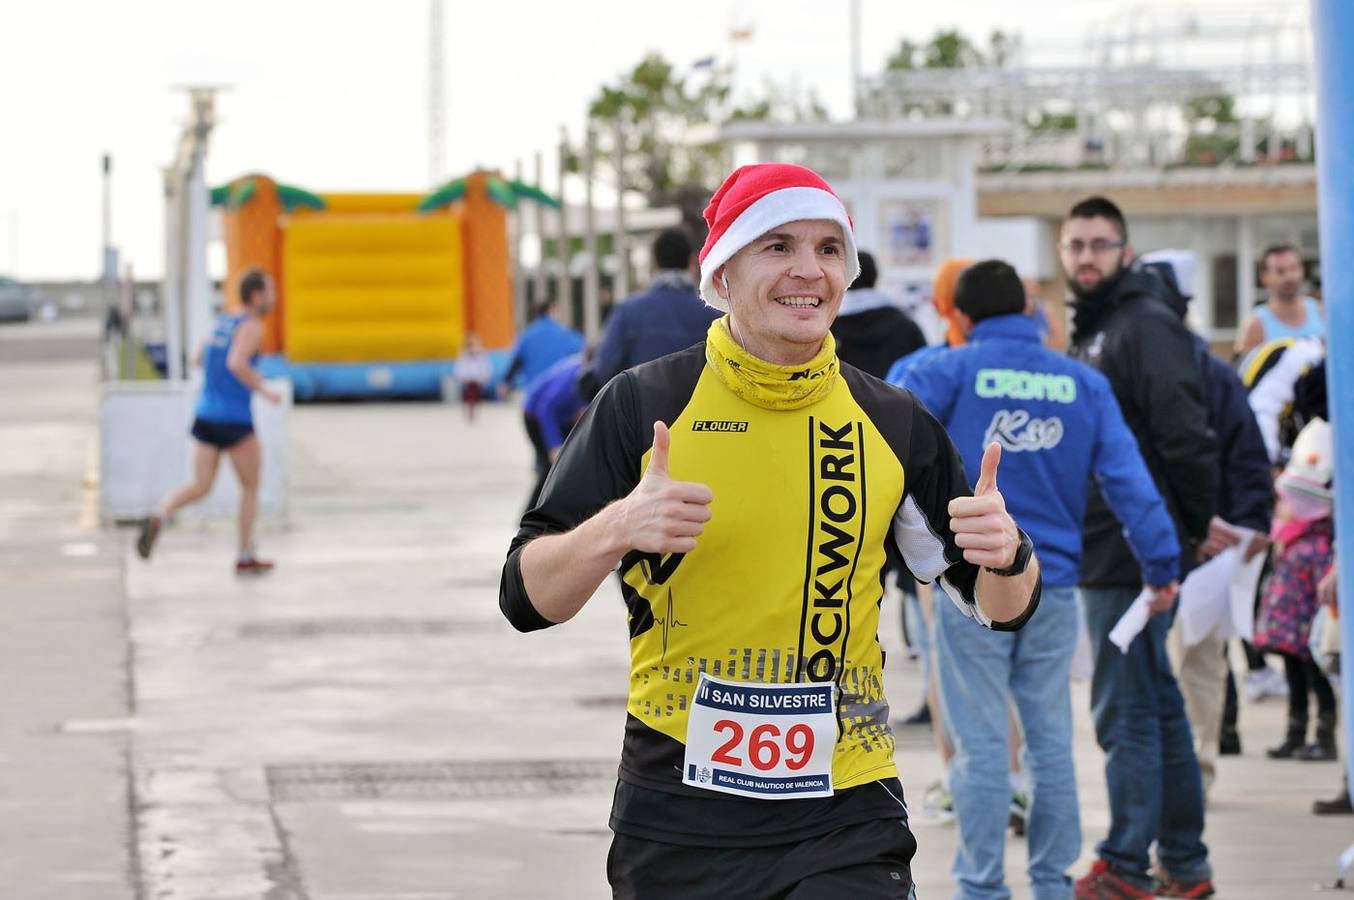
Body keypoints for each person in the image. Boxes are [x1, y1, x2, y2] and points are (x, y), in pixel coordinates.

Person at [498, 163, 1042, 899]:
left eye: (828, 249)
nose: (807, 272)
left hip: (847, 810)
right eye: (778, 246)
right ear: (721, 275)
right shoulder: (644, 403)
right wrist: (619, 525)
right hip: (679, 816)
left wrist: (1009, 555)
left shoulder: (891, 420)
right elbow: (527, 599)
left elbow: (1002, 607)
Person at [901, 259, 1180, 900]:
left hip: (971, 584)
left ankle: (981, 887)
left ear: (961, 318)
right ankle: (1052, 884)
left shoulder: (946, 368)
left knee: (978, 743)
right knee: (1050, 739)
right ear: (1030, 310)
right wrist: (1162, 567)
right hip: (1054, 584)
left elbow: (875, 415)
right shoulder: (1082, 382)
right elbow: (1132, 487)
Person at [1061, 197, 1218, 899]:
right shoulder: (1103, 327)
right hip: (1115, 543)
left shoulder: (1141, 325)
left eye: (1100, 244)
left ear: (1126, 252)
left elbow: (1186, 434)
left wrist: (1182, 534)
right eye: (1076, 245)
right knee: (1155, 702)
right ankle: (1183, 864)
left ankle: (1126, 865)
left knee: (1126, 709)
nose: (1087, 257)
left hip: (1130, 547)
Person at [1140, 249, 1273, 781]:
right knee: (1193, 657)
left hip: (1200, 542)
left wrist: (1248, 523)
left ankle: (1196, 763)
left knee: (1197, 655)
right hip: (1182, 538)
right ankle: (1193, 762)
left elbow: (1244, 452)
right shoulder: (1180, 364)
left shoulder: (1207, 372)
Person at [136, 268, 282, 574]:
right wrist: (264, 389)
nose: (274, 298)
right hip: (235, 419)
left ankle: (161, 514)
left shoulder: (223, 322)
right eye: (270, 291)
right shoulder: (251, 326)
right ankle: (244, 555)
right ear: (256, 295)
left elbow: (197, 358)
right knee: (250, 487)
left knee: (201, 485)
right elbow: (236, 363)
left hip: (205, 414)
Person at [1255, 418, 1338, 762]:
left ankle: (1324, 734)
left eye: (1285, 501)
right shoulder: (1287, 539)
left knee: (1317, 681)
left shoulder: (1317, 543)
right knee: (1296, 682)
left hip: (1306, 631)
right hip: (1288, 632)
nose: (1280, 508)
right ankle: (1295, 730)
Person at [584, 227, 720, 395]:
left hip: (641, 415)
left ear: (653, 265)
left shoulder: (628, 312)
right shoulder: (715, 315)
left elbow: (603, 370)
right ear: (692, 262)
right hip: (699, 415)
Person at [829, 250, 926, 379]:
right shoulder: (905, 325)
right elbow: (924, 369)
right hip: (897, 398)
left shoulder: (827, 329)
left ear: (844, 277)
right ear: (875, 276)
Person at [520, 352, 588, 511]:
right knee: (550, 467)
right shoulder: (573, 379)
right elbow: (545, 409)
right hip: (535, 416)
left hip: (563, 418)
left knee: (572, 463)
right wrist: (554, 445)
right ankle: (530, 514)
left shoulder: (591, 376)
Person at [1234, 243, 1322, 358]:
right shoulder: (1256, 325)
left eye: (1293, 268)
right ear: (1265, 278)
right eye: (1280, 271)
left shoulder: (1321, 312)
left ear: (1302, 270)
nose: (1289, 277)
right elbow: (1242, 372)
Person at [500, 298, 584, 394]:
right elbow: (582, 355)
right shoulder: (565, 335)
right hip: (558, 392)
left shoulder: (526, 336)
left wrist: (505, 382)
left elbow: (516, 363)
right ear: (551, 310)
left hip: (533, 393)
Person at [453, 332, 492, 422]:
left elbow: (485, 367)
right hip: (467, 380)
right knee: (469, 396)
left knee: (476, 397)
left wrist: (483, 377)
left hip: (477, 379)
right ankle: (469, 411)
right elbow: (459, 367)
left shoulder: (481, 354)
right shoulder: (463, 355)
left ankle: (473, 411)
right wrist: (462, 378)